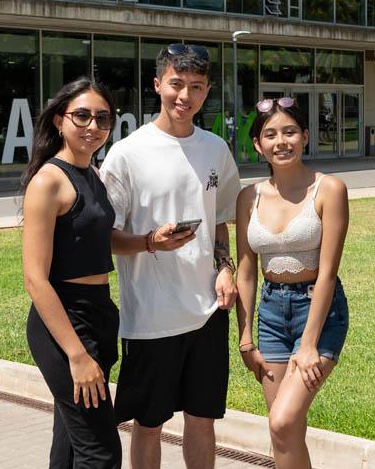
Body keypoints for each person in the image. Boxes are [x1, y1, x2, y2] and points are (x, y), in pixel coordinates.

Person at [100, 43, 240, 469]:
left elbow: (219, 218)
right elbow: (104, 235)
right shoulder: (127, 153)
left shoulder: (215, 148)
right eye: (176, 84)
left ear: (207, 90)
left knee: (202, 420)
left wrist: (225, 266)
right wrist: (148, 243)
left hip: (207, 312)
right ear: (158, 84)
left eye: (196, 87)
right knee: (148, 423)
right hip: (152, 316)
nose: (185, 96)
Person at [234, 98, 349, 469]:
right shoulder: (248, 197)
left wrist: (310, 343)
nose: (281, 141)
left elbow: (328, 272)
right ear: (257, 144)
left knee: (282, 420)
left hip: (317, 309)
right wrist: (246, 336)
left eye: (289, 132)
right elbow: (246, 270)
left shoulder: (329, 189)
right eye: (270, 134)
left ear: (305, 137)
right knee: (285, 431)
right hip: (269, 314)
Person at [21, 77, 121, 468]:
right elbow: (35, 278)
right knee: (101, 454)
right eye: (81, 116)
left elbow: (99, 238)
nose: (92, 126)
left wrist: (149, 242)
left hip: (98, 314)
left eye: (102, 118)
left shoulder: (92, 175)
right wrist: (76, 355)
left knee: (70, 442)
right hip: (65, 324)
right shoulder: (48, 181)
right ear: (60, 120)